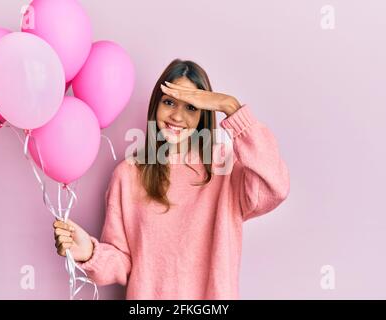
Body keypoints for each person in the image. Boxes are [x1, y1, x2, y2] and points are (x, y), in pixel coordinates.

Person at [53, 59, 290, 299]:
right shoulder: (128, 174)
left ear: (203, 114)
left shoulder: (225, 168)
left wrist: (230, 107)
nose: (177, 116)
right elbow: (123, 261)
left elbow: (274, 187)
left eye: (191, 107)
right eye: (169, 102)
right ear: (155, 106)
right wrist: (90, 252)